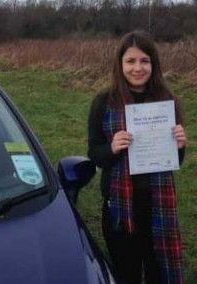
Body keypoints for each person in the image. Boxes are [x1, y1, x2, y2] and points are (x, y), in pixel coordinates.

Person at [87, 30, 186, 284]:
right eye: (131, 61)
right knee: (126, 271)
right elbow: (94, 153)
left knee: (157, 271)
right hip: (120, 206)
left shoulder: (168, 101)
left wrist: (179, 144)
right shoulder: (103, 102)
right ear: (120, 64)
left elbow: (176, 159)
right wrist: (111, 148)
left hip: (157, 203)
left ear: (154, 63)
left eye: (144, 61)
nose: (137, 68)